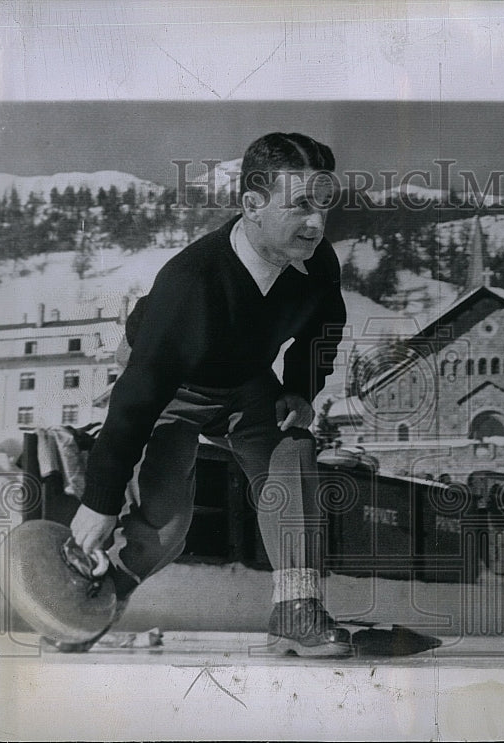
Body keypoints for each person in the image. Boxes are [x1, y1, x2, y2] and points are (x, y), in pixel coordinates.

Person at [65, 132, 350, 656]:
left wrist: (299, 390)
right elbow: (135, 400)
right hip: (173, 385)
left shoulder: (318, 263)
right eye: (301, 206)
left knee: (294, 449)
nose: (316, 223)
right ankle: (96, 599)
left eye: (324, 205)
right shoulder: (189, 285)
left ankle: (295, 610)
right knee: (167, 524)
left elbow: (324, 327)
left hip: (245, 382)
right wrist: (99, 503)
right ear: (252, 206)